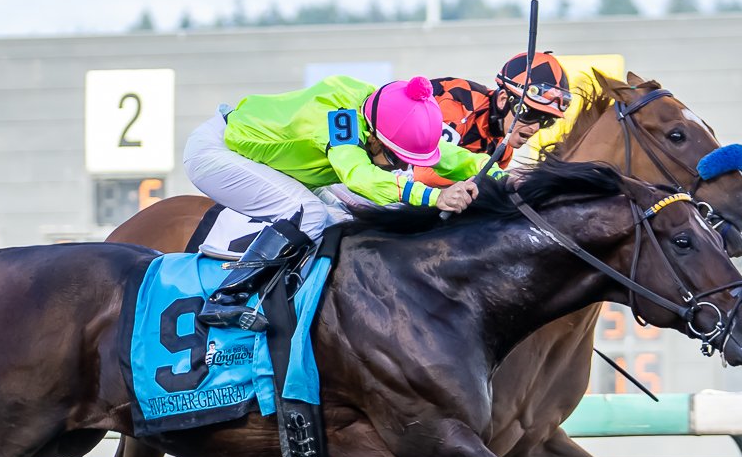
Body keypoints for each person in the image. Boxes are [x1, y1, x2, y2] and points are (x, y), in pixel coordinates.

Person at [183, 74, 498, 331]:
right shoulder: (340, 121)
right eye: (397, 159)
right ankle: (226, 297)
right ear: (374, 139)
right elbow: (361, 178)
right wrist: (435, 196)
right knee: (309, 214)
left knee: (353, 220)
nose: (402, 167)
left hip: (276, 164)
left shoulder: (384, 112)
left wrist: (503, 176)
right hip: (219, 152)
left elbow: (447, 155)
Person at [415, 51, 573, 188]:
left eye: (547, 121)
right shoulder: (459, 104)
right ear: (504, 99)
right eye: (531, 114)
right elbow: (424, 174)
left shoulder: (503, 149)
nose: (535, 128)